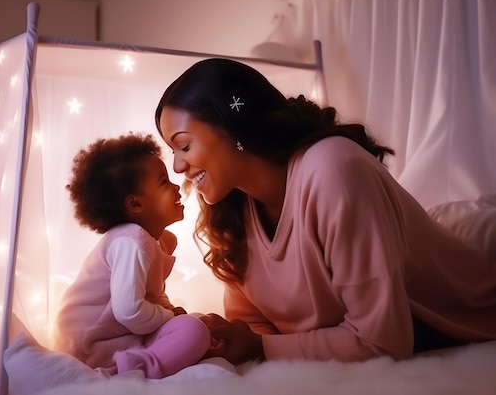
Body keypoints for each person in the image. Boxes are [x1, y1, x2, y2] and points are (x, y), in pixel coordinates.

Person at [154, 58, 496, 364]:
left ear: (234, 128)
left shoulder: (333, 168)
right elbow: (254, 326)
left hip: (475, 327)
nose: (178, 165)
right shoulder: (231, 213)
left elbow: (382, 343)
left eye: (183, 145)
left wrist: (261, 347)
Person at [53, 133, 210, 378]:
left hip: (122, 335)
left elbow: (152, 294)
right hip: (90, 344)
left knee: (198, 323)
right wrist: (168, 316)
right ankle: (128, 373)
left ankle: (143, 360)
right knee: (193, 331)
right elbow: (129, 311)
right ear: (135, 204)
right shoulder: (131, 241)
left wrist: (172, 312)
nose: (176, 186)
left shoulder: (156, 241)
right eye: (164, 182)